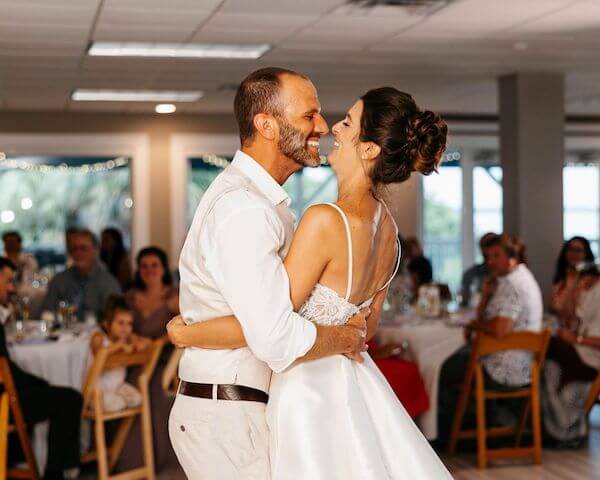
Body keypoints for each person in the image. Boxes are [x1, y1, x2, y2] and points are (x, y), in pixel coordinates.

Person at [169, 73, 452, 478]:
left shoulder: (321, 219)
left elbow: (276, 328)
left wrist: (187, 333)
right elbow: (359, 328)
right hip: (328, 390)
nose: (328, 126)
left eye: (345, 123)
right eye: (311, 114)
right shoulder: (388, 232)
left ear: (369, 148)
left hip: (308, 393)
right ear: (266, 124)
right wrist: (346, 336)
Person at [437, 233, 543, 444]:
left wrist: (473, 325)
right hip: (523, 366)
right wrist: (485, 295)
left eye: (496, 256)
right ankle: (485, 425)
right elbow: (490, 319)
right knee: (460, 362)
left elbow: (500, 329)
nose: (490, 262)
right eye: (488, 256)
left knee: (443, 368)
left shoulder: (511, 284)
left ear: (511, 256)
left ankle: (449, 437)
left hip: (504, 369)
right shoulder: (521, 276)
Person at [0, 257, 82, 480]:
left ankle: (17, 458)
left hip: (7, 394)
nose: (11, 288)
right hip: (4, 402)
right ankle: (55, 473)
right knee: (69, 399)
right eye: (7, 281)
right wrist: (40, 382)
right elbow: (6, 371)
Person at [120, 246, 179, 472]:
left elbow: (185, 324)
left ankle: (148, 458)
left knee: (146, 382)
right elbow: (118, 324)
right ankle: (120, 456)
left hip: (162, 360)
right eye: (144, 266)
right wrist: (133, 338)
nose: (149, 270)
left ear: (163, 268)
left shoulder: (173, 296)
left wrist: (157, 342)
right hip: (133, 357)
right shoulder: (131, 297)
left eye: (154, 265)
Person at [542, 263, 600, 446]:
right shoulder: (589, 289)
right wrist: (571, 287)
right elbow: (567, 315)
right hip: (579, 350)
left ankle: (564, 429)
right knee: (547, 367)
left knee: (550, 347)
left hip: (590, 356)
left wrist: (576, 340)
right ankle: (559, 430)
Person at [41, 229, 121, 322]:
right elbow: (45, 311)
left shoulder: (108, 283)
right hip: (62, 333)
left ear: (96, 251)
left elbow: (116, 319)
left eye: (83, 248)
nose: (78, 253)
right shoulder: (59, 280)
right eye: (74, 249)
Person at [89, 295, 150, 413]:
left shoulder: (127, 338)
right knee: (115, 403)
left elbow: (147, 343)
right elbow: (99, 353)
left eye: (129, 324)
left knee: (137, 399)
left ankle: (119, 399)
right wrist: (119, 346)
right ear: (107, 324)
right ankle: (116, 401)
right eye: (121, 323)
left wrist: (137, 345)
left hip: (117, 388)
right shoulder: (99, 337)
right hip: (96, 392)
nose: (126, 328)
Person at [550, 236, 595, 318]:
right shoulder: (561, 279)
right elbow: (553, 308)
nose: (573, 254)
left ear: (586, 254)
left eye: (578, 250)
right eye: (570, 249)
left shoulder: (590, 282)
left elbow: (577, 313)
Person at [459, 232, 496, 307]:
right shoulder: (470, 274)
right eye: (486, 246)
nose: (488, 251)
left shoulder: (508, 277)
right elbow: (464, 302)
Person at [2, 231, 39, 298]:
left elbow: (33, 281)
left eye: (13, 242)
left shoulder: (29, 261)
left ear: (20, 244)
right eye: (8, 242)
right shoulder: (2, 263)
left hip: (28, 296)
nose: (11, 245)